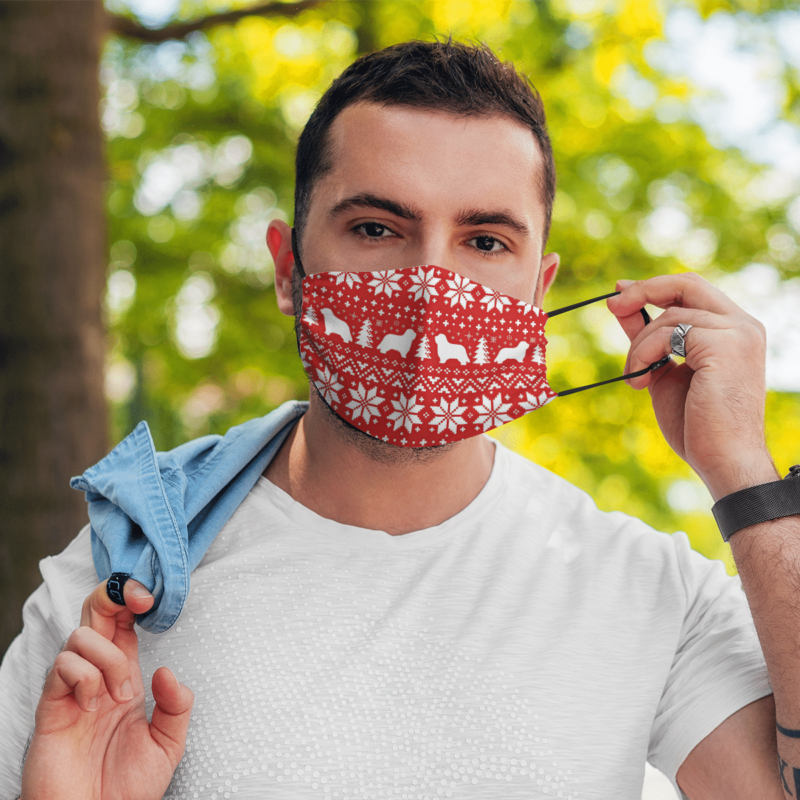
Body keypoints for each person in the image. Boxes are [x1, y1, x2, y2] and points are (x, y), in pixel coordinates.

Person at [1, 39, 797, 800]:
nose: (429, 288)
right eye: (377, 229)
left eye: (485, 240)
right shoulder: (112, 591)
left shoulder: (649, 591)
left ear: (537, 289)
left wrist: (745, 477)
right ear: (289, 270)